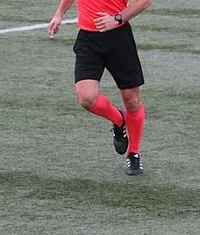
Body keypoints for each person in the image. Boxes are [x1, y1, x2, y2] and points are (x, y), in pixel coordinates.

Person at [47, 0, 153, 176]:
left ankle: (134, 154)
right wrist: (59, 14)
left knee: (132, 100)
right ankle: (119, 120)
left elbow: (145, 1)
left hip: (118, 37)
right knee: (86, 98)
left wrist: (117, 18)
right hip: (88, 40)